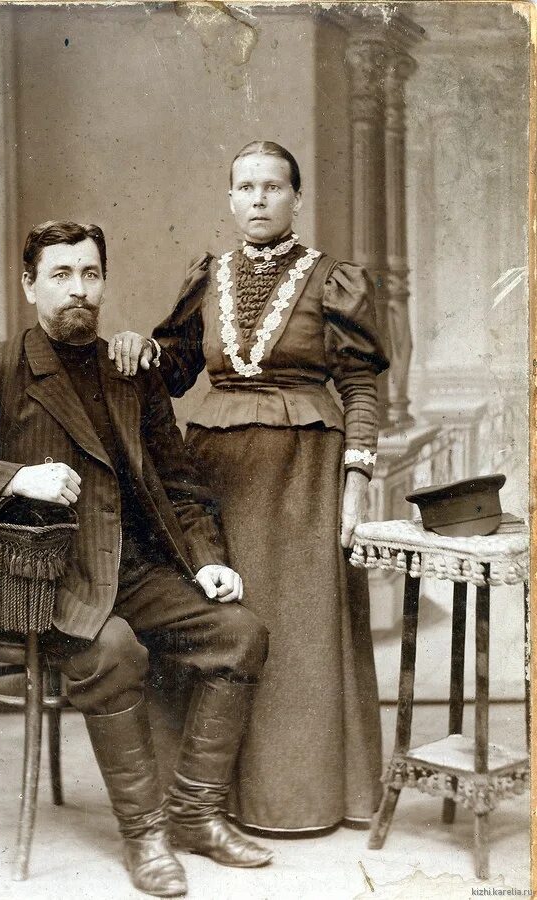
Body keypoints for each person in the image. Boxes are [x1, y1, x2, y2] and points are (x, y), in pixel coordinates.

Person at [0, 221, 273, 898]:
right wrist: (15, 479)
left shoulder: (128, 371)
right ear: (30, 285)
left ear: (103, 282)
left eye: (90, 274)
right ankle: (145, 835)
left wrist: (207, 560)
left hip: (128, 571)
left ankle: (194, 814)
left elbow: (179, 483)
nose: (78, 290)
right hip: (41, 584)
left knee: (240, 634)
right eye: (61, 275)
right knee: (114, 651)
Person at [109, 141, 390, 833]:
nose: (259, 198)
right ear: (231, 198)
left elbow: (359, 383)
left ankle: (298, 801)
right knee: (218, 620)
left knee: (298, 634)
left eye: (273, 186)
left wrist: (356, 480)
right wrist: (142, 349)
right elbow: (175, 371)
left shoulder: (332, 279)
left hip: (304, 478)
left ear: (296, 197)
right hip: (212, 477)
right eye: (246, 187)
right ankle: (205, 801)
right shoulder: (208, 277)